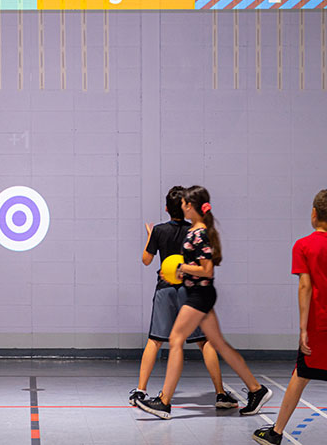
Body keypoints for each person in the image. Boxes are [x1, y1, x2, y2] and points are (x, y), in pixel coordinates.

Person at [136, 185, 272, 419]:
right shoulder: (196, 231)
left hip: (199, 295)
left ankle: (165, 402)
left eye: (186, 204)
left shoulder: (199, 233)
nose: (184, 207)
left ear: (191, 207)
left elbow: (206, 271)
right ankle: (256, 389)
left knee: (176, 339)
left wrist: (180, 269)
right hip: (197, 294)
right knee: (218, 345)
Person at [130, 186, 238, 409]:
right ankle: (220, 394)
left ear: (166, 208)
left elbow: (146, 260)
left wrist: (151, 237)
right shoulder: (194, 231)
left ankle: (140, 391)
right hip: (189, 290)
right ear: (185, 207)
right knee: (203, 341)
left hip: (165, 289)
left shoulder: (159, 231)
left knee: (155, 340)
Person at [252, 190, 327, 444]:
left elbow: (305, 287)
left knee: (301, 375)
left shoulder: (303, 246)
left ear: (314, 214)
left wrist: (303, 329)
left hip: (319, 324)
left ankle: (276, 432)